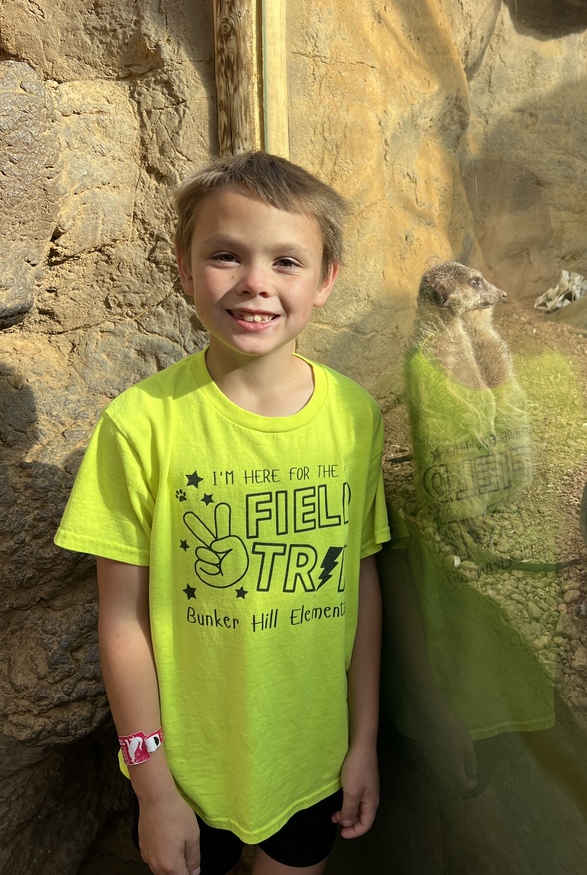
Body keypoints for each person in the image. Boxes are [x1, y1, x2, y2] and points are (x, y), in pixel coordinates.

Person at [55, 151, 390, 875]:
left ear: (327, 278)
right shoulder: (138, 425)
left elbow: (357, 583)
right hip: (185, 779)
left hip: (311, 765)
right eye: (226, 256)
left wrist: (363, 741)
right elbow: (121, 618)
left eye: (286, 262)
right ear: (185, 268)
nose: (255, 284)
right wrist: (152, 788)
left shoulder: (356, 420)